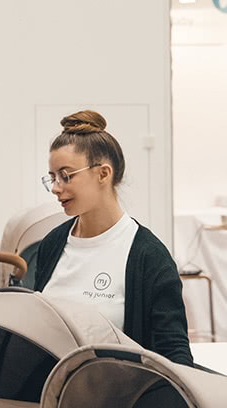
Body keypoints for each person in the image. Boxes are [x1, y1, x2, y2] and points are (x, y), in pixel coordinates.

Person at [31, 110, 192, 366]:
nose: (55, 188)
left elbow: (174, 352)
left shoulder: (148, 256)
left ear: (103, 174)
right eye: (52, 177)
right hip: (50, 387)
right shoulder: (53, 243)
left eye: (66, 176)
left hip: (120, 390)